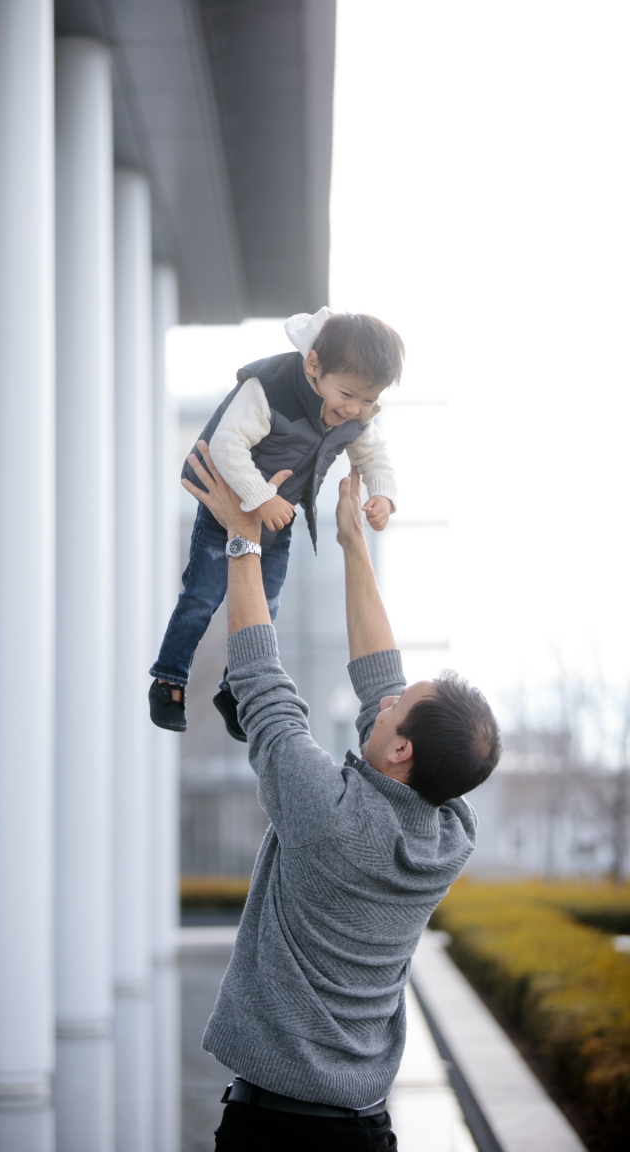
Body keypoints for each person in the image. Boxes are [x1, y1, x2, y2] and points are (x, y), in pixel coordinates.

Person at [182, 442, 501, 1152]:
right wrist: (355, 544)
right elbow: (380, 680)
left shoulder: (327, 817)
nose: (385, 697)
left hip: (274, 1132)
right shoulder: (449, 831)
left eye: (396, 707)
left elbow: (262, 684)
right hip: (363, 1130)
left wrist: (240, 537)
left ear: (400, 751)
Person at [148, 307, 404, 739]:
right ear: (313, 366)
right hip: (225, 504)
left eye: (370, 400)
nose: (357, 409)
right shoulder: (269, 390)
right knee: (203, 597)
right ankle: (169, 678)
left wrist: (383, 494)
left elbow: (375, 455)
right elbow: (227, 445)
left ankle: (235, 688)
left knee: (266, 607)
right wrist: (261, 497)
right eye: (349, 394)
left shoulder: (354, 413)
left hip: (275, 520)